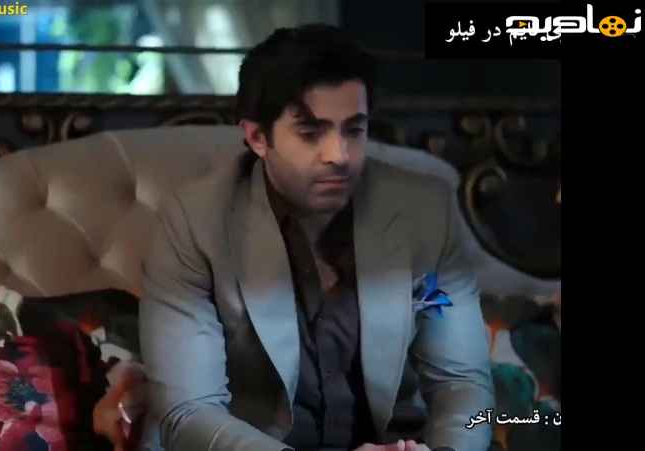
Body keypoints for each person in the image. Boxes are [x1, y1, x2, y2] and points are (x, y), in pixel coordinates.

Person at [96, 24, 494, 451]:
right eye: (310, 133)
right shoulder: (194, 222)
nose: (339, 155)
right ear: (257, 137)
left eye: (354, 130)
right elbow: (190, 413)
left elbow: (462, 382)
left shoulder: (425, 211)